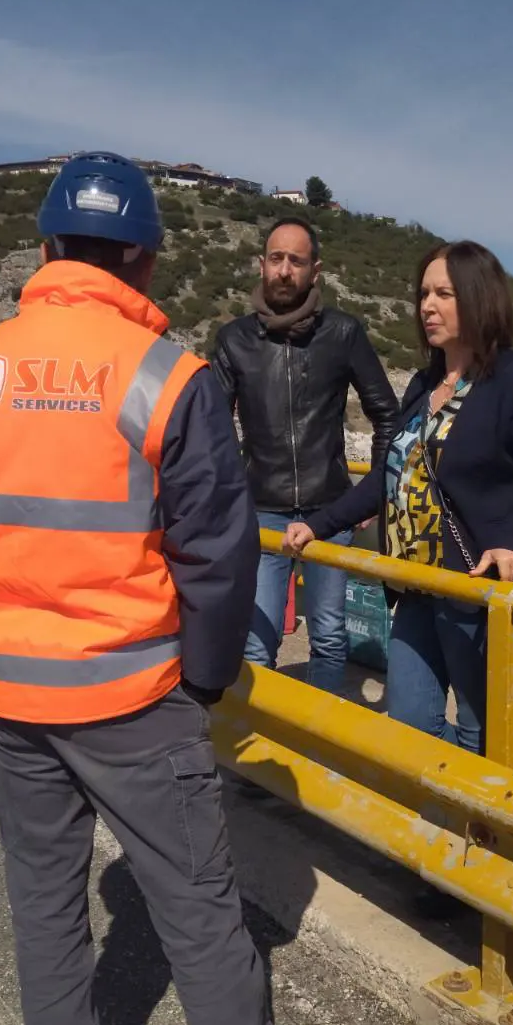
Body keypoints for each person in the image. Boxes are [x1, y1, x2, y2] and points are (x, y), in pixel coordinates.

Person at [0, 152, 335, 1025]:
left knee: (46, 915)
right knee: (196, 913)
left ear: (47, 250)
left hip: (12, 697)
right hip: (134, 696)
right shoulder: (167, 375)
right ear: (141, 261)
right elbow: (217, 554)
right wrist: (196, 678)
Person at [282, 241, 513, 754]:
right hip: (415, 585)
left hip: (476, 588)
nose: (426, 307)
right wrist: (321, 524)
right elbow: (387, 479)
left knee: (487, 734)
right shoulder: (423, 382)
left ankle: (483, 828)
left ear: (479, 299)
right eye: (423, 295)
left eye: (444, 294)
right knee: (411, 725)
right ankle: (456, 816)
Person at [209, 217, 398, 693]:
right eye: (276, 258)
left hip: (330, 510)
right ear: (262, 265)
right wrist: (232, 500)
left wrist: (371, 496)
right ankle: (268, 750)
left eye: (296, 260)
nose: (285, 270)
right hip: (262, 512)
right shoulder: (234, 340)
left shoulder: (343, 334)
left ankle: (323, 749)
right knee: (258, 642)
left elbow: (388, 416)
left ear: (316, 270)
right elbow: (211, 429)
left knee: (330, 638)